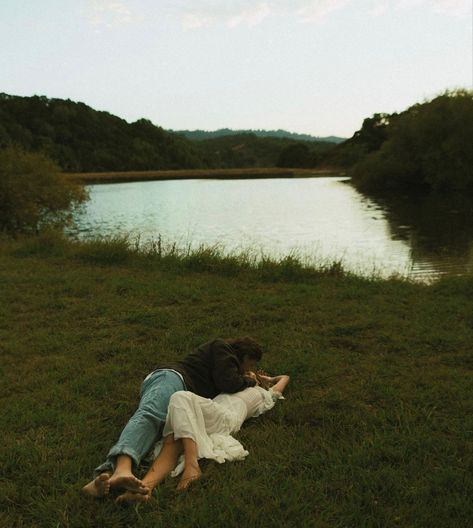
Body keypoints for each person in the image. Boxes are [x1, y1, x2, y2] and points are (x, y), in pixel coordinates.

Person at [82, 337, 263, 498]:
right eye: (251, 364)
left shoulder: (227, 363)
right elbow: (228, 382)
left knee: (161, 433)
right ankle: (122, 468)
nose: (250, 369)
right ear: (246, 356)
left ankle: (105, 476)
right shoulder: (223, 348)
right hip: (173, 379)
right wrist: (250, 381)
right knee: (151, 416)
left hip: (183, 397)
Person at [114, 372, 290, 504]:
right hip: (208, 411)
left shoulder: (264, 395)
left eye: (252, 373)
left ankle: (192, 465)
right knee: (173, 440)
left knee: (180, 397)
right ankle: (145, 488)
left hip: (228, 418)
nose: (248, 373)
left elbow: (285, 378)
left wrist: (265, 380)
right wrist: (249, 376)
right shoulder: (234, 385)